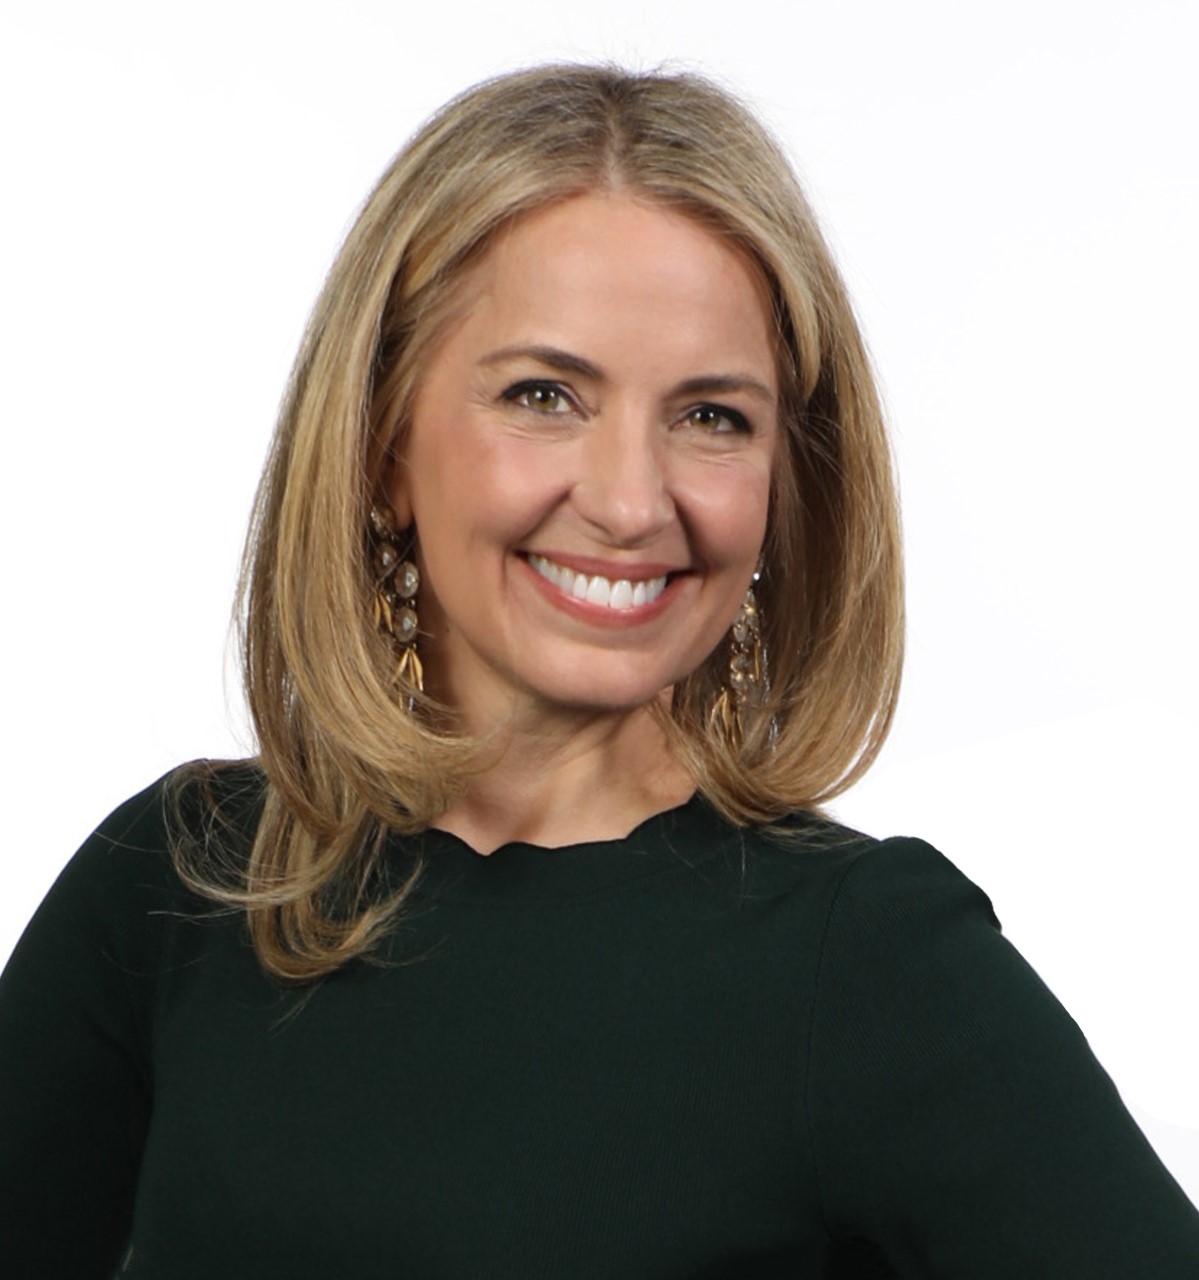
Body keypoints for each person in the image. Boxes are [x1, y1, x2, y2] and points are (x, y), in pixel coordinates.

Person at [1, 63, 1196, 1279]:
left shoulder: (870, 961)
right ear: (381, 444)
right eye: (544, 395)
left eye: (711, 416)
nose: (629, 502)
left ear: (783, 482)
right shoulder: (182, 885)